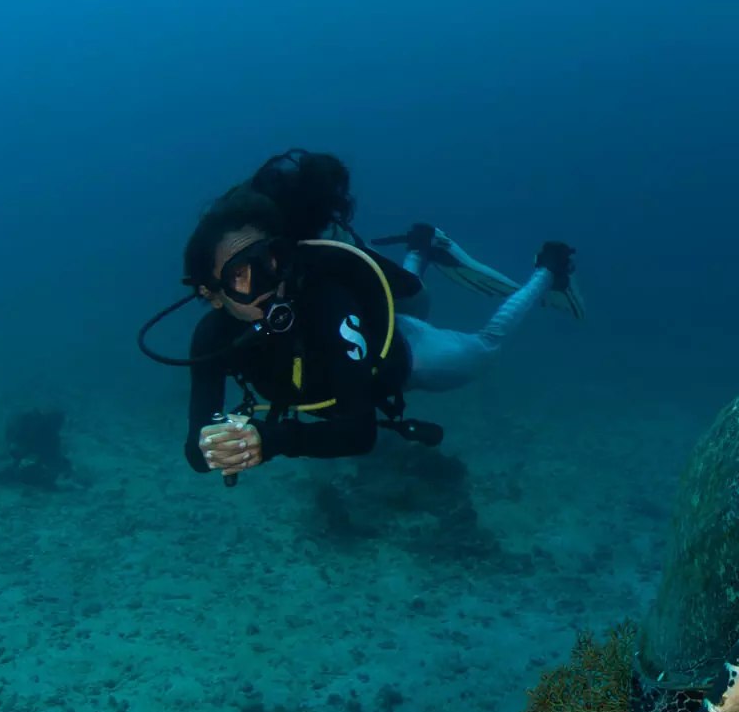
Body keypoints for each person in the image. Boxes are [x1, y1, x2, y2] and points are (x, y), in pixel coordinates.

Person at [176, 149, 579, 479]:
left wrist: (272, 441)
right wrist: (218, 447)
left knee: (484, 351)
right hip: (365, 335)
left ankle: (548, 270)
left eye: (272, 261)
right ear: (211, 295)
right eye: (242, 277)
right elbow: (198, 450)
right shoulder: (213, 340)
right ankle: (421, 247)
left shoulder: (328, 304)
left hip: (405, 353)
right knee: (413, 297)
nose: (269, 284)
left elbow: (358, 432)